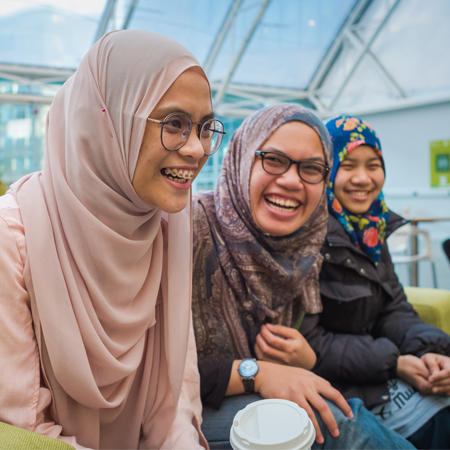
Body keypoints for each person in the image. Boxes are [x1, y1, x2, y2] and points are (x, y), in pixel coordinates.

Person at [0, 30, 225, 449]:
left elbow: (174, 398)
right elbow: (24, 429)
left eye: (205, 127)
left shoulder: (166, 226)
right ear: (106, 123)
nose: (196, 149)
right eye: (174, 124)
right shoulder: (14, 237)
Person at [192, 104, 416, 449]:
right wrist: (257, 372)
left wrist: (429, 347)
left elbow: (393, 308)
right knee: (336, 423)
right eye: (274, 159)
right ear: (241, 158)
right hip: (176, 407)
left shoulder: (303, 244)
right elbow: (146, 370)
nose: (292, 180)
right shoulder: (188, 229)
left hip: (295, 385)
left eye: (311, 168)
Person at [299, 115, 450, 449]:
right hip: (344, 387)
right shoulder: (307, 236)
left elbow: (394, 307)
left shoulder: (372, 229)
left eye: (373, 165)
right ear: (325, 169)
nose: (363, 178)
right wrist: (394, 363)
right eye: (348, 165)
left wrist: (430, 352)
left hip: (380, 373)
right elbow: (308, 343)